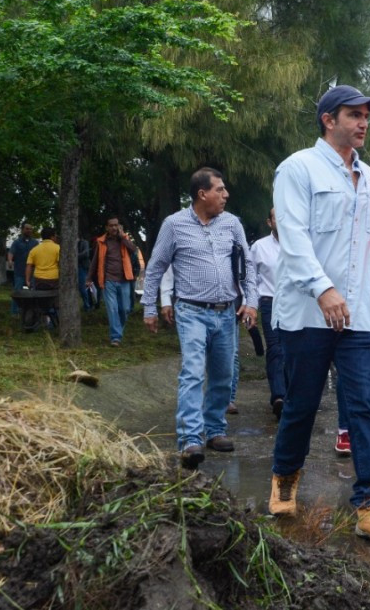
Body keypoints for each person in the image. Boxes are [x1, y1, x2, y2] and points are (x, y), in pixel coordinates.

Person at [267, 85, 370, 550]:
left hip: (361, 314)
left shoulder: (368, 177)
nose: (363, 122)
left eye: (367, 115)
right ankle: (285, 476)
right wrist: (322, 288)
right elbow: (294, 234)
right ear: (329, 119)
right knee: (303, 404)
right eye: (354, 114)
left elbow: (368, 245)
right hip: (308, 311)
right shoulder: (297, 168)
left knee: (364, 406)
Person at [142, 168, 258, 470]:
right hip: (191, 310)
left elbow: (247, 263)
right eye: (219, 189)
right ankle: (190, 438)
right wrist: (150, 307)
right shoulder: (174, 225)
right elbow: (155, 268)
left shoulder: (232, 224)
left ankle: (215, 430)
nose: (226, 195)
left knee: (222, 375)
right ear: (201, 194)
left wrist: (251, 302)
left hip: (226, 312)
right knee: (193, 372)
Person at [250, 208, 285, 416]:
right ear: (269, 222)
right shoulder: (259, 247)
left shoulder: (302, 243)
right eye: (277, 217)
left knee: (294, 349)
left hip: (297, 303)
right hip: (269, 301)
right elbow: (251, 280)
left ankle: (292, 393)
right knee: (275, 348)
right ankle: (278, 396)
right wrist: (250, 306)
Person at [89, 217, 139, 347]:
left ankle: (118, 331)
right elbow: (95, 261)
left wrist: (123, 238)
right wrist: (88, 278)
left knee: (125, 309)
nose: (113, 228)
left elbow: (134, 250)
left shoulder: (125, 239)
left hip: (124, 280)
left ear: (119, 227)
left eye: (116, 225)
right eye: (111, 225)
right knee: (112, 309)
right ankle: (116, 337)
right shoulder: (101, 242)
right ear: (107, 227)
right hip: (108, 280)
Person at [8, 224, 38, 313]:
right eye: (27, 229)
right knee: (17, 291)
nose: (28, 231)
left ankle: (32, 311)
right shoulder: (17, 242)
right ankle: (14, 312)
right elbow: (11, 252)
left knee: (33, 292)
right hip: (19, 271)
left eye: (30, 229)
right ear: (22, 230)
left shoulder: (35, 243)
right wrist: (10, 260)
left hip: (32, 272)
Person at [25, 226, 60, 291]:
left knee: (40, 298)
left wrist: (27, 280)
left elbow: (29, 265)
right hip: (54, 279)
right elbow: (60, 264)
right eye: (55, 236)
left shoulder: (34, 250)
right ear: (52, 237)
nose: (56, 237)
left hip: (38, 280)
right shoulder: (58, 248)